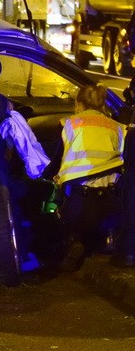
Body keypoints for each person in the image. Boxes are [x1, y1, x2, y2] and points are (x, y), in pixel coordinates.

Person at [50, 84, 125, 271]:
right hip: (111, 201)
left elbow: (54, 161)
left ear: (79, 104)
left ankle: (74, 242)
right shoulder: (118, 127)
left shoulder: (69, 123)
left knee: (58, 215)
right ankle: (94, 245)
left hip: (78, 200)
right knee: (98, 233)